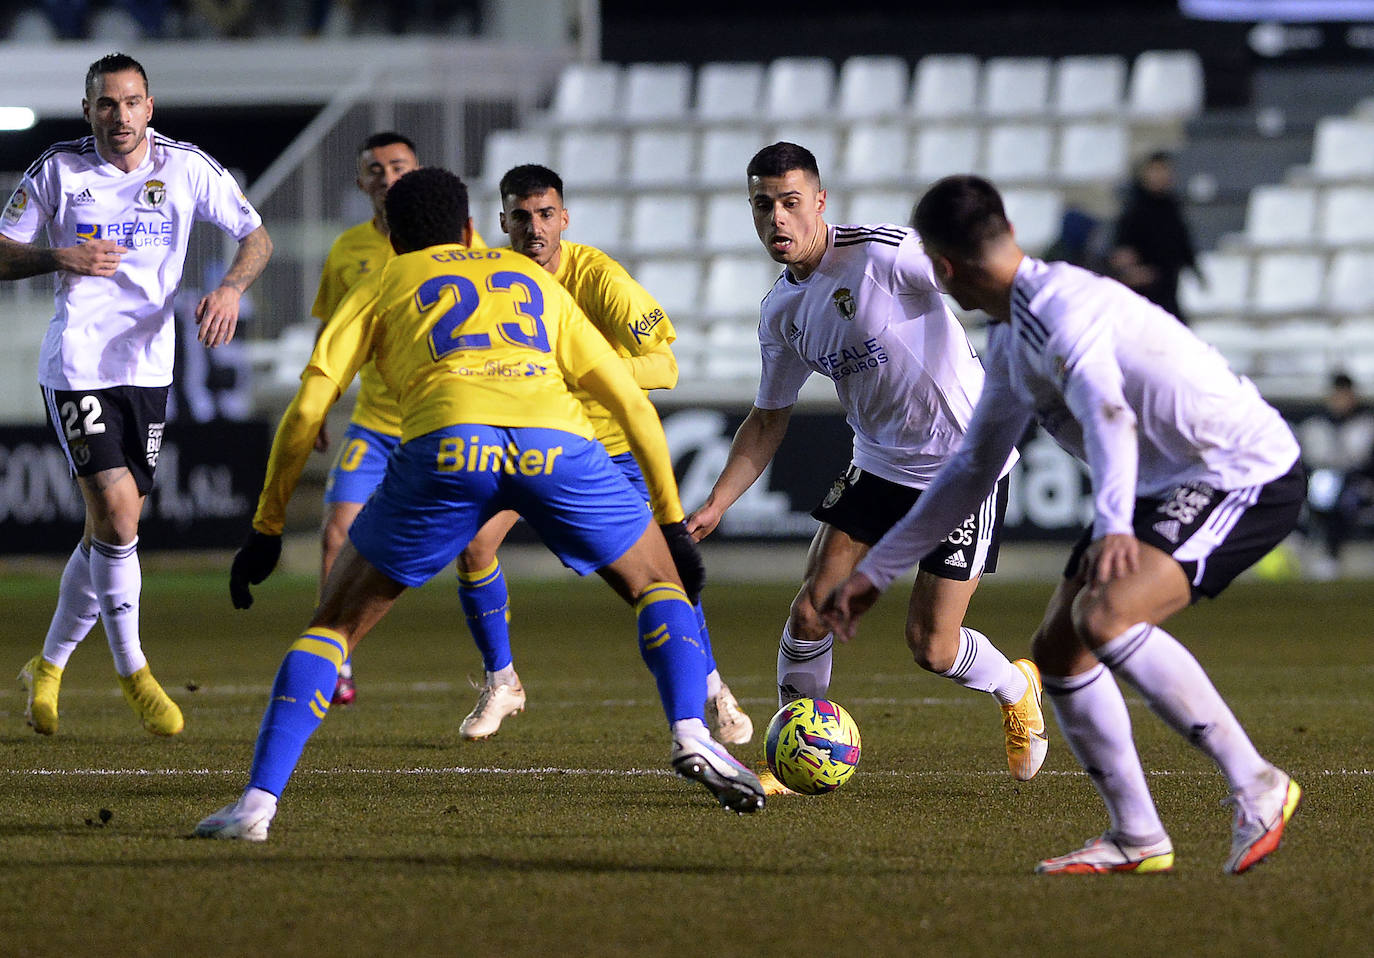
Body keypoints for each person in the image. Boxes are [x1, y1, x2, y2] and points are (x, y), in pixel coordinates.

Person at [198, 168, 762, 840]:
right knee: (658, 586)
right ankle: (691, 732)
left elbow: (307, 410)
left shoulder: (383, 280)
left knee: (334, 627)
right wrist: (669, 521)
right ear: (471, 227)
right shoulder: (527, 278)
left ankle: (257, 807)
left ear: (392, 235)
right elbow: (633, 404)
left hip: (449, 445)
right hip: (556, 446)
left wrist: (267, 527)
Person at [823, 174, 1305, 876]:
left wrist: (1112, 523)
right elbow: (970, 470)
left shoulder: (1059, 312)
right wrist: (878, 571)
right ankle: (1137, 835)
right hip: (1161, 481)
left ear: (943, 268)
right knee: (1058, 650)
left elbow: (1110, 414)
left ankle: (1257, 783)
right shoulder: (1013, 337)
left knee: (1105, 618)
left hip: (1237, 469)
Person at [685, 142, 1047, 786]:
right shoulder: (782, 312)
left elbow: (974, 274)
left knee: (931, 647)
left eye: (791, 202)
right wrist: (717, 503)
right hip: (878, 464)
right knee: (810, 613)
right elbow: (767, 419)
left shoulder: (883, 254)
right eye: (763, 205)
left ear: (819, 201)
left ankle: (1016, 686)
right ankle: (791, 754)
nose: (778, 218)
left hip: (963, 466)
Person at [1, 52, 272, 737]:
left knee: (108, 529)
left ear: (149, 107)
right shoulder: (57, 171)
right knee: (120, 519)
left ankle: (48, 666)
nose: (119, 116)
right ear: (87, 109)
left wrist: (230, 288)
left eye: (131, 103)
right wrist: (57, 256)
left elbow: (256, 237)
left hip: (149, 370)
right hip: (79, 366)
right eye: (106, 104)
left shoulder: (185, 166)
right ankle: (134, 672)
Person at [451, 164, 752, 744]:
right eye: (521, 217)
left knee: (659, 580)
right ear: (503, 222)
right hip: (528, 444)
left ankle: (713, 689)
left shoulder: (599, 277)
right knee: (474, 545)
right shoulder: (491, 280)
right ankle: (502, 680)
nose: (535, 228)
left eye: (546, 214)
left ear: (564, 218)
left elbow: (664, 365)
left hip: (608, 454)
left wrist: (586, 372)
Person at [308, 130, 486, 707]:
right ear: (361, 181)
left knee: (477, 547)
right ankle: (335, 660)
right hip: (377, 422)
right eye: (376, 168)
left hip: (442, 420)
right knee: (336, 532)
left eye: (398, 166)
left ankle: (499, 668)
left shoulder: (461, 241)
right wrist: (319, 403)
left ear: (417, 170)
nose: (387, 177)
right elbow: (331, 331)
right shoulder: (348, 250)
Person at [1107, 151, 1201, 324]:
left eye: (1164, 170)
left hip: (1168, 287)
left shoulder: (1172, 208)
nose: (1160, 176)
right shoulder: (1134, 209)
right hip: (1142, 292)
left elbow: (1182, 243)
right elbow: (1120, 253)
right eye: (1155, 170)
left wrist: (1195, 269)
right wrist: (1132, 272)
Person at [1298, 371, 1374, 579]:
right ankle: (1304, 550)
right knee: (1319, 491)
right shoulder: (1315, 425)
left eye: (1345, 395)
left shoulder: (1366, 424)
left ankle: (1331, 557)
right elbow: (1306, 463)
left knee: (1341, 497)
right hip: (1322, 481)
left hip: (1358, 484)